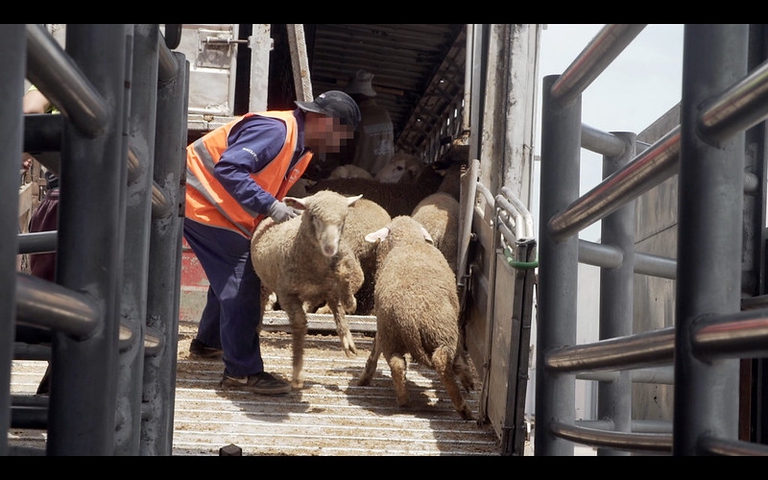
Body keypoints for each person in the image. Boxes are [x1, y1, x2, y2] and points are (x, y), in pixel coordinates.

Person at [184, 90, 360, 395]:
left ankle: (209, 343)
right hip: (200, 201)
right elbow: (229, 168)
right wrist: (271, 207)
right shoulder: (276, 131)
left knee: (229, 278)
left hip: (220, 209)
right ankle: (242, 373)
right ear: (323, 121)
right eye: (341, 134)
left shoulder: (302, 148)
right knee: (243, 283)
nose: (340, 143)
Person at [21, 84, 60, 395]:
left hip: (63, 195)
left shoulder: (63, 71)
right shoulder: (138, 75)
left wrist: (37, 149)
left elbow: (30, 110)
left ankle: (54, 385)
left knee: (54, 300)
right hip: (118, 198)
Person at [343, 69, 394, 176]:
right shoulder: (384, 114)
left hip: (360, 176)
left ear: (357, 96)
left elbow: (348, 151)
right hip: (384, 174)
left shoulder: (356, 118)